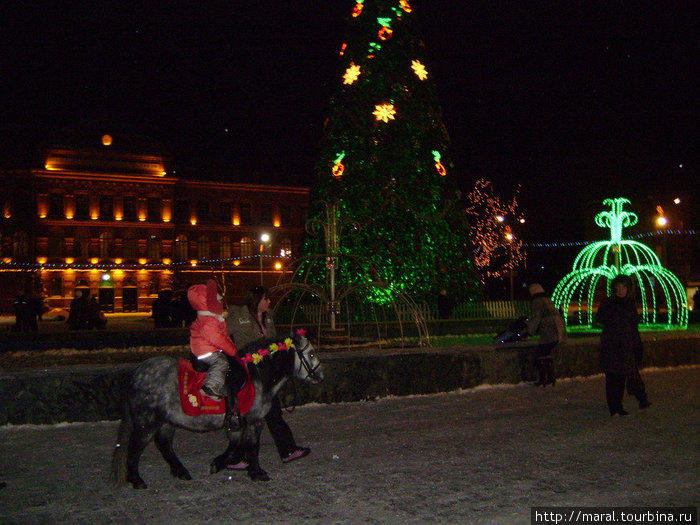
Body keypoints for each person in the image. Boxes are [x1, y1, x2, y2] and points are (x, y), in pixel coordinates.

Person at [226, 285, 311, 464]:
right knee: (249, 414)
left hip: (265, 372)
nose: (269, 302)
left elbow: (271, 340)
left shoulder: (268, 316)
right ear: (256, 300)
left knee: (272, 411)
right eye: (266, 299)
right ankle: (238, 457)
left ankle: (287, 450)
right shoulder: (238, 316)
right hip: (247, 371)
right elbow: (224, 336)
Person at [596, 274, 651, 416]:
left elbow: (633, 327)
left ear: (628, 289)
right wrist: (613, 313)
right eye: (618, 287)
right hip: (611, 346)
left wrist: (637, 345)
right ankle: (613, 407)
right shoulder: (609, 303)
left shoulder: (630, 304)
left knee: (621, 378)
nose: (620, 290)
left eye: (623, 287)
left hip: (625, 347)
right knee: (612, 379)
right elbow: (600, 318)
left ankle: (618, 406)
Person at [188, 279, 247, 402]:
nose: (220, 303)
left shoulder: (212, 318)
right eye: (217, 300)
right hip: (205, 351)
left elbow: (223, 335)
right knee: (221, 362)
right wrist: (232, 351)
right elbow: (217, 338)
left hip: (209, 347)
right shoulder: (208, 321)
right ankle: (210, 386)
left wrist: (232, 347)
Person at [526, 283, 567, 386]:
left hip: (547, 333)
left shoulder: (537, 302)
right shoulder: (548, 301)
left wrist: (530, 330)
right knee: (546, 354)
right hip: (556, 333)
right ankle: (551, 378)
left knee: (540, 354)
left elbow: (537, 317)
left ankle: (542, 379)